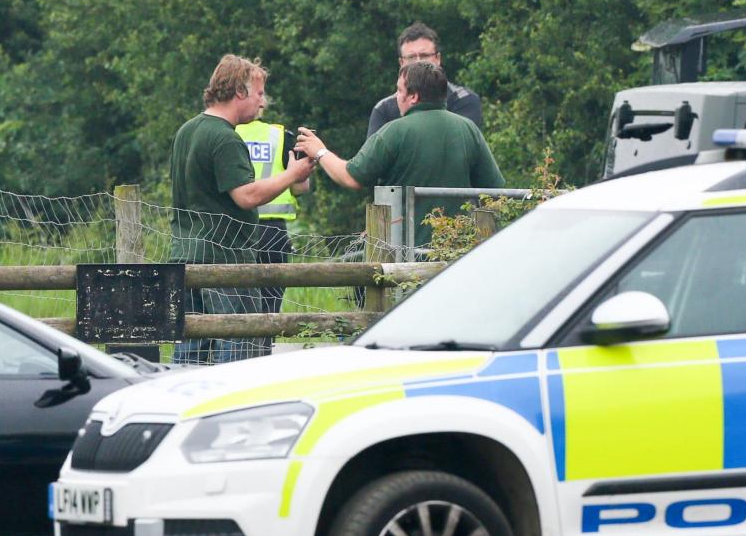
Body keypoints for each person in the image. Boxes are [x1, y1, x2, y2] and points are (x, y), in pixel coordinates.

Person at [170, 54, 314, 364]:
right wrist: (292, 175)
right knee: (238, 353)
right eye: (259, 93)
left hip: (184, 256)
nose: (262, 102)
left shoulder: (186, 131)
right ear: (239, 92)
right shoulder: (225, 138)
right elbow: (246, 196)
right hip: (226, 262)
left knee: (191, 357)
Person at [297, 61, 504, 248]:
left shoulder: (394, 131)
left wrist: (320, 151)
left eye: (399, 90)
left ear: (413, 96)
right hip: (458, 255)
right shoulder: (468, 129)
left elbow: (352, 177)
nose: (396, 96)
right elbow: (495, 190)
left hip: (405, 257)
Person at [236, 115, 310, 322]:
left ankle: (239, 352)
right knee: (269, 306)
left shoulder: (227, 133)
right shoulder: (280, 136)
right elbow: (300, 186)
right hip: (272, 232)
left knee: (234, 305)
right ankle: (265, 349)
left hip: (235, 230)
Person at [366, 22, 482, 138]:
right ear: (401, 63)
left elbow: (460, 148)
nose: (418, 62)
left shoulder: (463, 100)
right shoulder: (384, 109)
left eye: (424, 55)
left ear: (438, 59)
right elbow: (372, 155)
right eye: (411, 57)